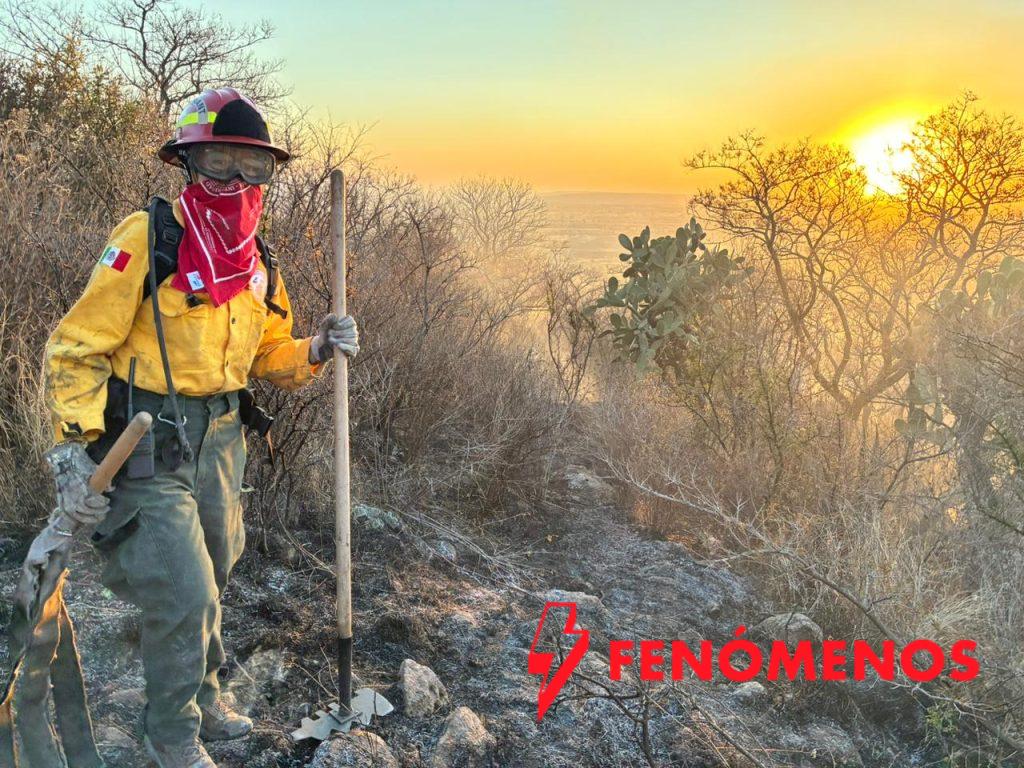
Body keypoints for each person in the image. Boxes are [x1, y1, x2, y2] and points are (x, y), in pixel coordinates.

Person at [43, 87, 357, 768]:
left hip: (222, 441)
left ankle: (205, 695)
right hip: (144, 443)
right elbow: (75, 348)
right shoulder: (147, 239)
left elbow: (267, 354)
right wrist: (72, 447)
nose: (237, 181)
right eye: (219, 162)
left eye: (254, 167)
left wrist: (316, 347)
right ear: (188, 163)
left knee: (213, 573)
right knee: (184, 589)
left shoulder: (255, 261)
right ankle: (172, 736)